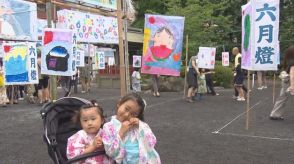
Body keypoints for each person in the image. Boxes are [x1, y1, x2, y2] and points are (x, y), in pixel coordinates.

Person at [101, 93, 161, 164]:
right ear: (119, 103)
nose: (127, 115)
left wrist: (140, 126)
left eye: (133, 114)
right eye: (126, 109)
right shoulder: (108, 127)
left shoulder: (137, 125)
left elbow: (152, 141)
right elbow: (111, 153)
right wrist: (121, 132)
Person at [270, 46, 294, 120]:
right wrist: (292, 86)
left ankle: (275, 114)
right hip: (290, 82)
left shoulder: (289, 61)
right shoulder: (293, 63)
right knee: (283, 98)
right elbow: (292, 74)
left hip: (286, 81)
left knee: (282, 97)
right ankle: (275, 114)